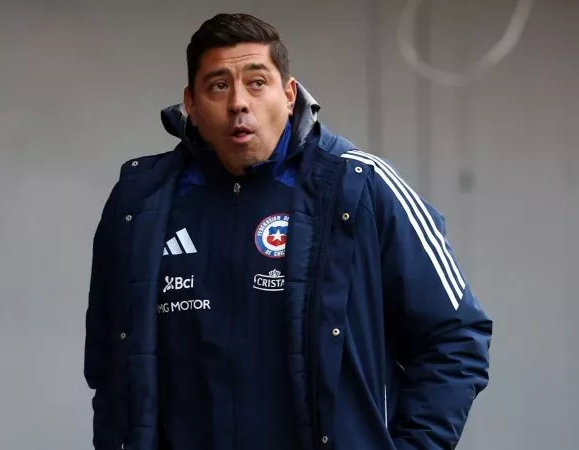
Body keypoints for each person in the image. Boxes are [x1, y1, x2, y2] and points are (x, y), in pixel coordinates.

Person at [84, 12, 492, 450]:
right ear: (192, 105)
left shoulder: (361, 188)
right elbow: (110, 364)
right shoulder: (140, 203)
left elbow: (455, 338)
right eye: (218, 86)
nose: (239, 102)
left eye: (257, 82)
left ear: (289, 94)